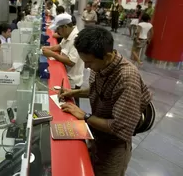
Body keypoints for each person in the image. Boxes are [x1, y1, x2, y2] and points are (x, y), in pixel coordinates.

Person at [59, 26, 151, 176]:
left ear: (107, 56)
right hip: (97, 137)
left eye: (89, 62)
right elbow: (97, 89)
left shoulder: (127, 79)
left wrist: (85, 116)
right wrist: (74, 92)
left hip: (113, 148)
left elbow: (119, 127)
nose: (87, 67)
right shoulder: (101, 66)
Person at [42, 13, 84, 106]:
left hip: (72, 82)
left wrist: (52, 54)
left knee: (72, 105)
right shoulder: (67, 35)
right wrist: (46, 48)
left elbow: (71, 62)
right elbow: (60, 46)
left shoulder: (76, 38)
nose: (57, 32)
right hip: (66, 76)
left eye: (58, 29)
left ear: (65, 27)